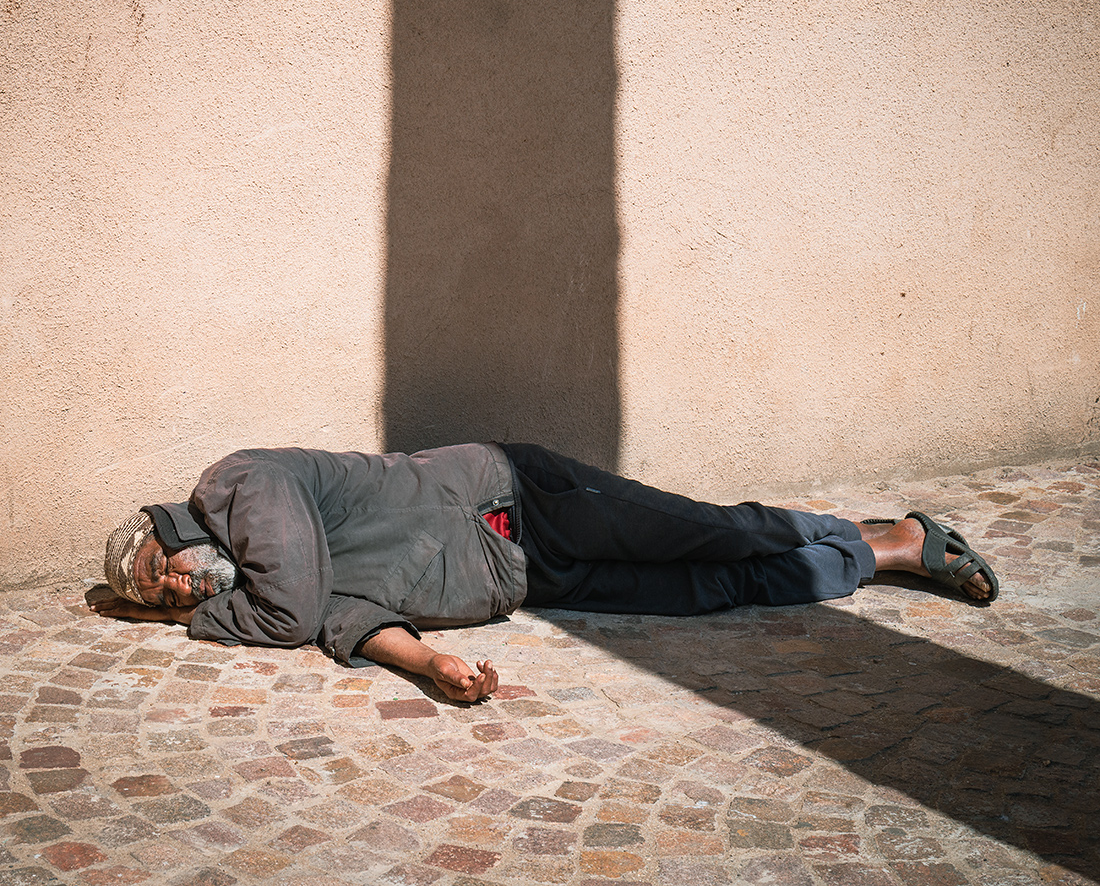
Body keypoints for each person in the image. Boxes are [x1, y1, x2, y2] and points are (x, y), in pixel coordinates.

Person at [92, 442, 998, 702]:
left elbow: (293, 610)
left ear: (169, 529)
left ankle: (866, 527)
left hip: (518, 500)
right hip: (523, 581)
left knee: (714, 535)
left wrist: (200, 621)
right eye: (161, 596)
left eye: (162, 570)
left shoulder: (238, 485)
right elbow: (341, 620)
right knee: (709, 591)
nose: (178, 588)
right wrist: (429, 666)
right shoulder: (257, 583)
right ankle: (883, 554)